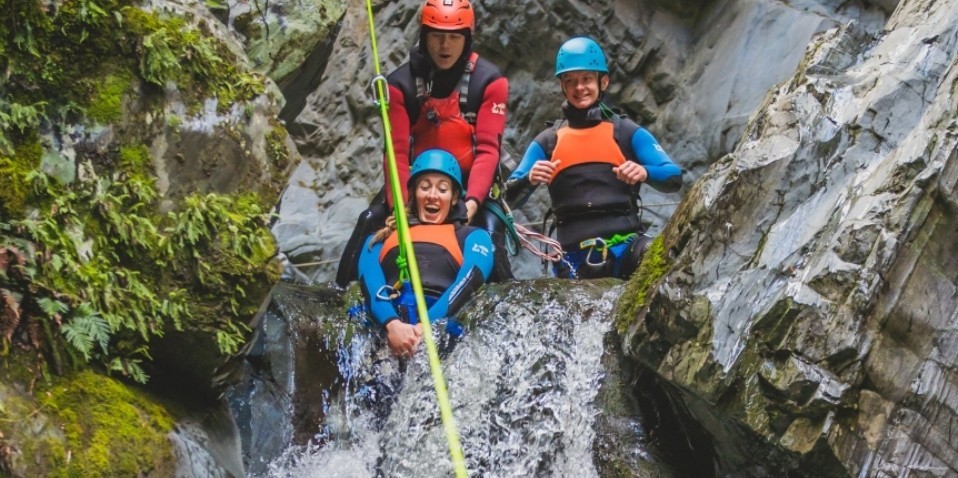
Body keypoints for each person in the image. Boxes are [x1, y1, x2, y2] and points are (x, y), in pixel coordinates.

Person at [337, 0, 512, 288]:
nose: (445, 45)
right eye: (437, 36)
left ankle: (504, 297)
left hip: (469, 188)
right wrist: (399, 208)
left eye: (454, 37)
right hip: (415, 188)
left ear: (467, 39)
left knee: (492, 235)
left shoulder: (490, 81)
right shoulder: (400, 84)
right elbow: (396, 152)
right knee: (370, 221)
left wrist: (471, 203)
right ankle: (342, 294)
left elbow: (488, 150)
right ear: (424, 36)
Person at [506, 36, 683, 279]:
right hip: (572, 257)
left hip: (627, 249)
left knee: (657, 254)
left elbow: (673, 176)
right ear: (563, 86)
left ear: (604, 82)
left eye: (587, 79)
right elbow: (507, 200)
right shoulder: (547, 141)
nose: (579, 88)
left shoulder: (627, 132)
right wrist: (529, 178)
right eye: (571, 81)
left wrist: (645, 172)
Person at [358, 149, 493, 357]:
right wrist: (392, 324)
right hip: (389, 329)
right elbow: (370, 283)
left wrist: (424, 327)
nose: (432, 195)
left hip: (442, 329)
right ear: (414, 194)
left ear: (454, 197)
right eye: (425, 187)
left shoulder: (474, 237)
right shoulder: (378, 239)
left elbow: (468, 282)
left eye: (442, 189)